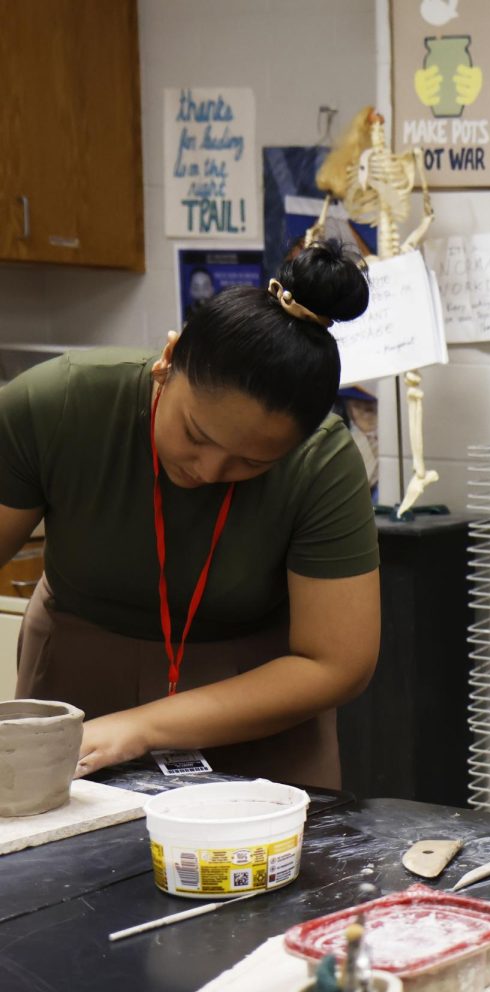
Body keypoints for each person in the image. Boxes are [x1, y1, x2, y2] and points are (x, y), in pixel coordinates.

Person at [0, 240, 380, 789]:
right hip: (78, 680)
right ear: (167, 361)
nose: (207, 468)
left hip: (253, 705)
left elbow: (337, 663)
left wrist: (143, 727)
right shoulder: (60, 405)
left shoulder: (322, 461)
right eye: (195, 434)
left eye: (252, 461)